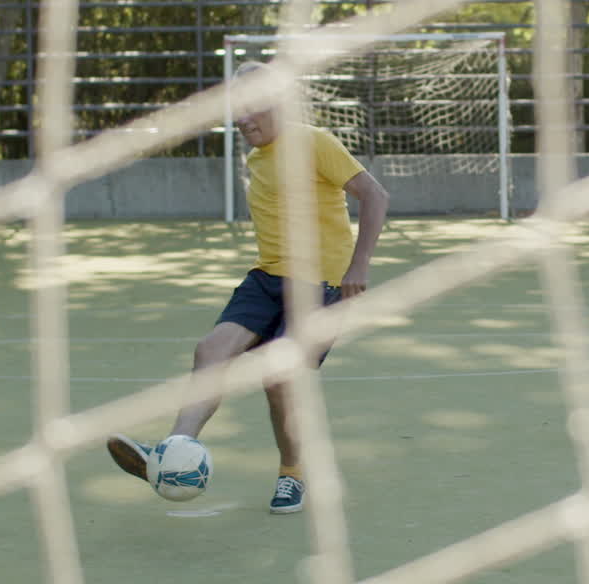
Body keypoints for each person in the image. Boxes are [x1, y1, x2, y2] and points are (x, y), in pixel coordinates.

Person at [107, 61, 389, 513]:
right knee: (210, 351)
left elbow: (375, 195)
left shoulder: (314, 142)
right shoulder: (256, 154)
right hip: (268, 277)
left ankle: (292, 474)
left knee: (279, 380)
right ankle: (173, 450)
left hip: (323, 285)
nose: (242, 120)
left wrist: (359, 265)